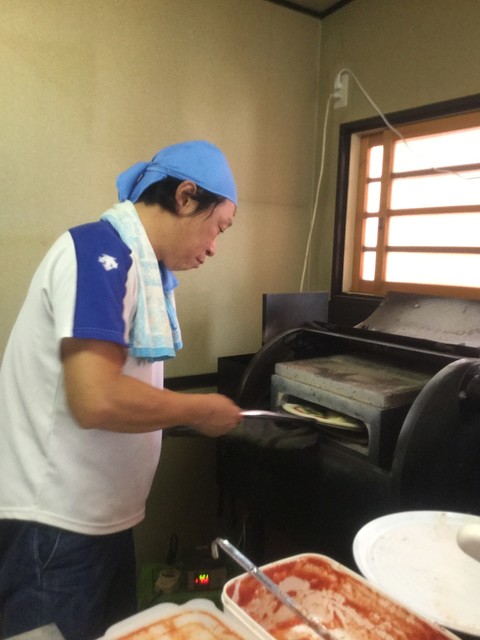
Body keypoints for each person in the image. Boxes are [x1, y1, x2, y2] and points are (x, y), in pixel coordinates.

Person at [0, 140, 243, 639]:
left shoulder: (139, 269)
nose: (214, 247)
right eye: (219, 227)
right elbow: (96, 398)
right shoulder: (100, 253)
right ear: (185, 197)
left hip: (101, 520)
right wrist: (200, 410)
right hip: (56, 525)